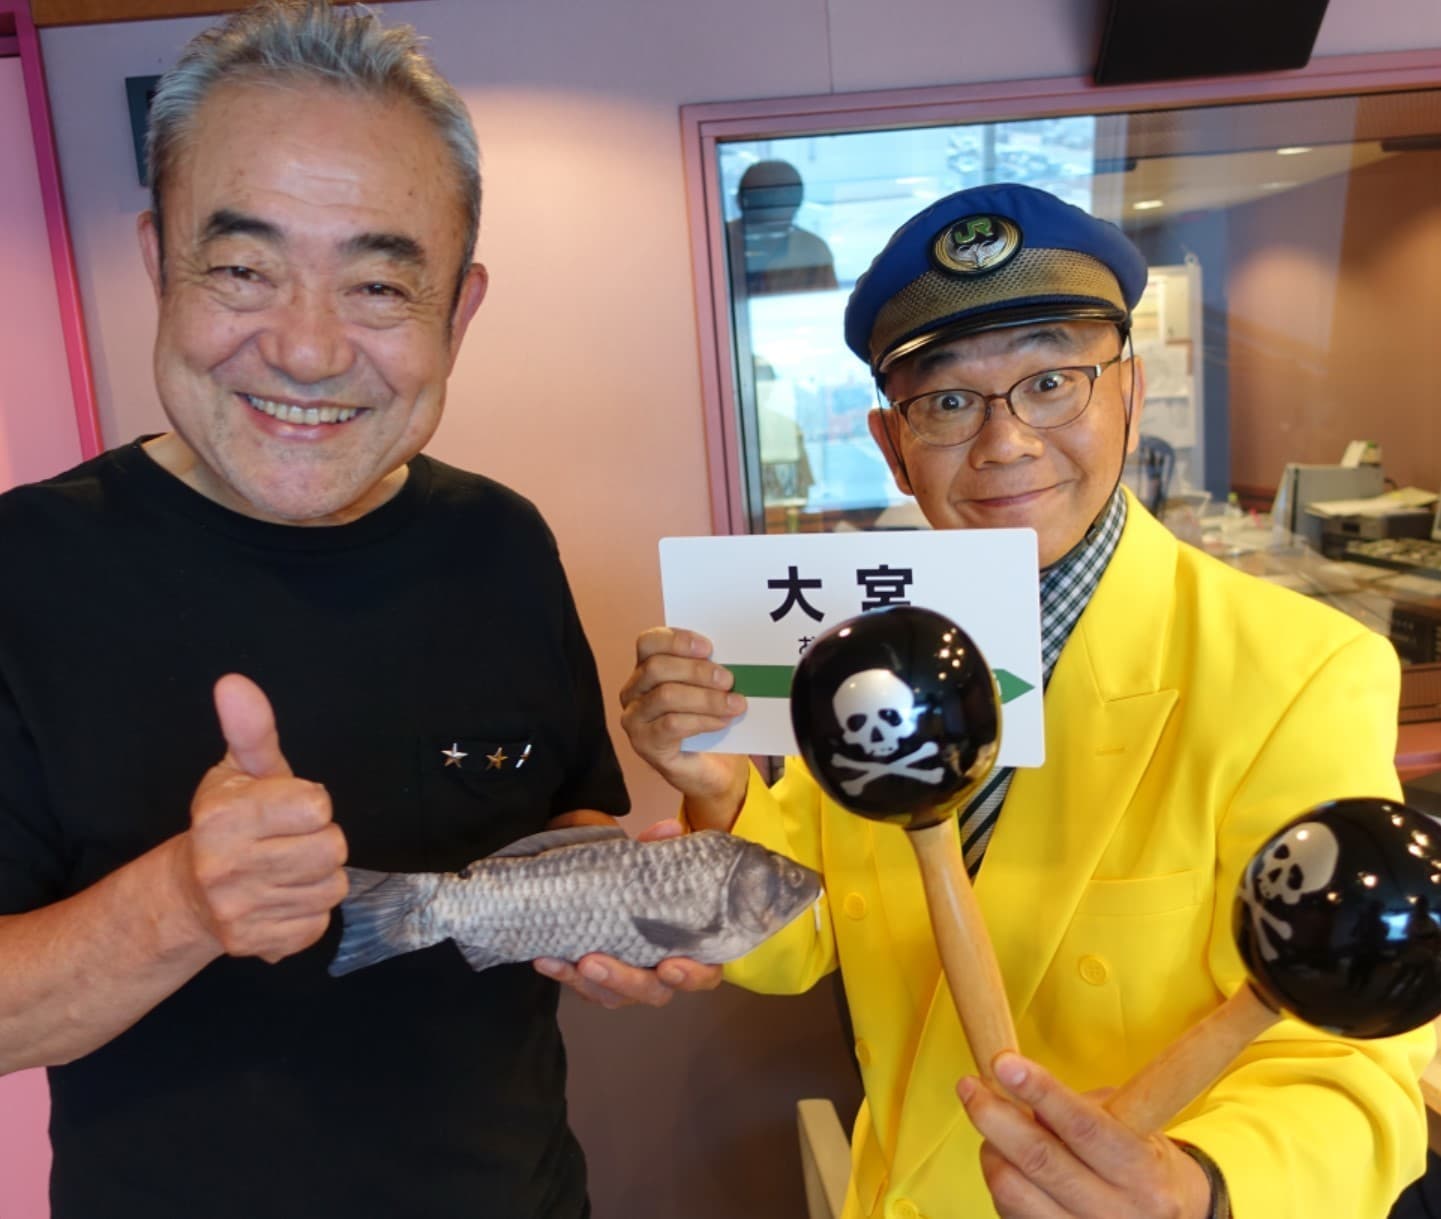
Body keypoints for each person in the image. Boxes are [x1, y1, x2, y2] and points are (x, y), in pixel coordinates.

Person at [614, 184, 1432, 1218]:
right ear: (890, 444)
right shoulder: (867, 651)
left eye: (1050, 382)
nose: (1002, 443)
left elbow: (1351, 1049)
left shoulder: (1297, 670)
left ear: (1128, 393)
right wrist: (720, 790)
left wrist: (1201, 1187)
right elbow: (796, 948)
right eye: (947, 402)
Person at [0, 4, 655, 1215]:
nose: (306, 350)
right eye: (243, 269)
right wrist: (179, 903)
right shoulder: (24, 567)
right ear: (158, 262)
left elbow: (561, 811)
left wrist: (620, 900)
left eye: (378, 284)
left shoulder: (502, 541)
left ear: (457, 311)